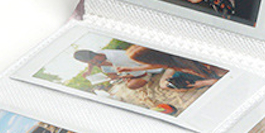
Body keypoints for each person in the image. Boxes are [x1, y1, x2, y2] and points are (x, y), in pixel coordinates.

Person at [72, 45, 222, 91]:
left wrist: (130, 73)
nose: (94, 65)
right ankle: (207, 81)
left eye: (93, 62)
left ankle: (208, 82)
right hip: (158, 66)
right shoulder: (100, 57)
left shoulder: (117, 58)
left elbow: (149, 68)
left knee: (165, 84)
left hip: (154, 69)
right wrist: (89, 71)